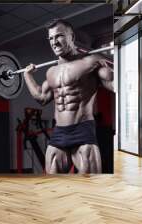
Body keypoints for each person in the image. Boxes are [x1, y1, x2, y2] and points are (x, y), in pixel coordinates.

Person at [23, 18, 113, 174]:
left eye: (59, 36)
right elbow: (41, 97)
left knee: (90, 185)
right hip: (59, 132)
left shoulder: (91, 62)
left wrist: (117, 64)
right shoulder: (51, 72)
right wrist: (27, 75)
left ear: (72, 37)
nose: (54, 42)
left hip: (83, 129)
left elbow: (117, 85)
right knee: (53, 185)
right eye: (51, 38)